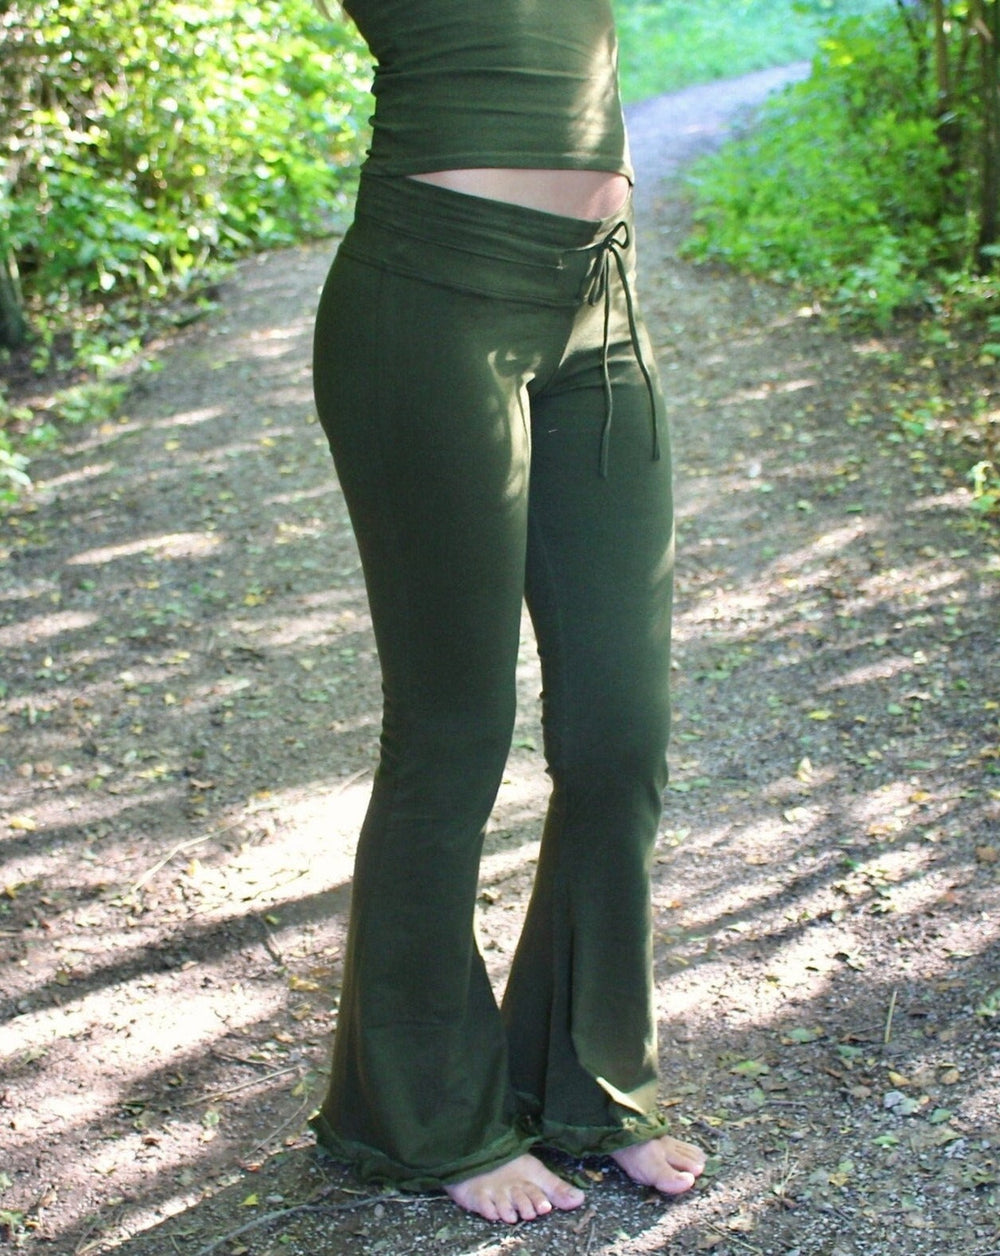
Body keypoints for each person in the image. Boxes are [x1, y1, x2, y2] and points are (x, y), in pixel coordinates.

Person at [308, 0, 707, 1225]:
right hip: (430, 301)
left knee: (620, 731)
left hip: (602, 309)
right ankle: (429, 1111)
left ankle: (586, 1081)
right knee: (453, 731)